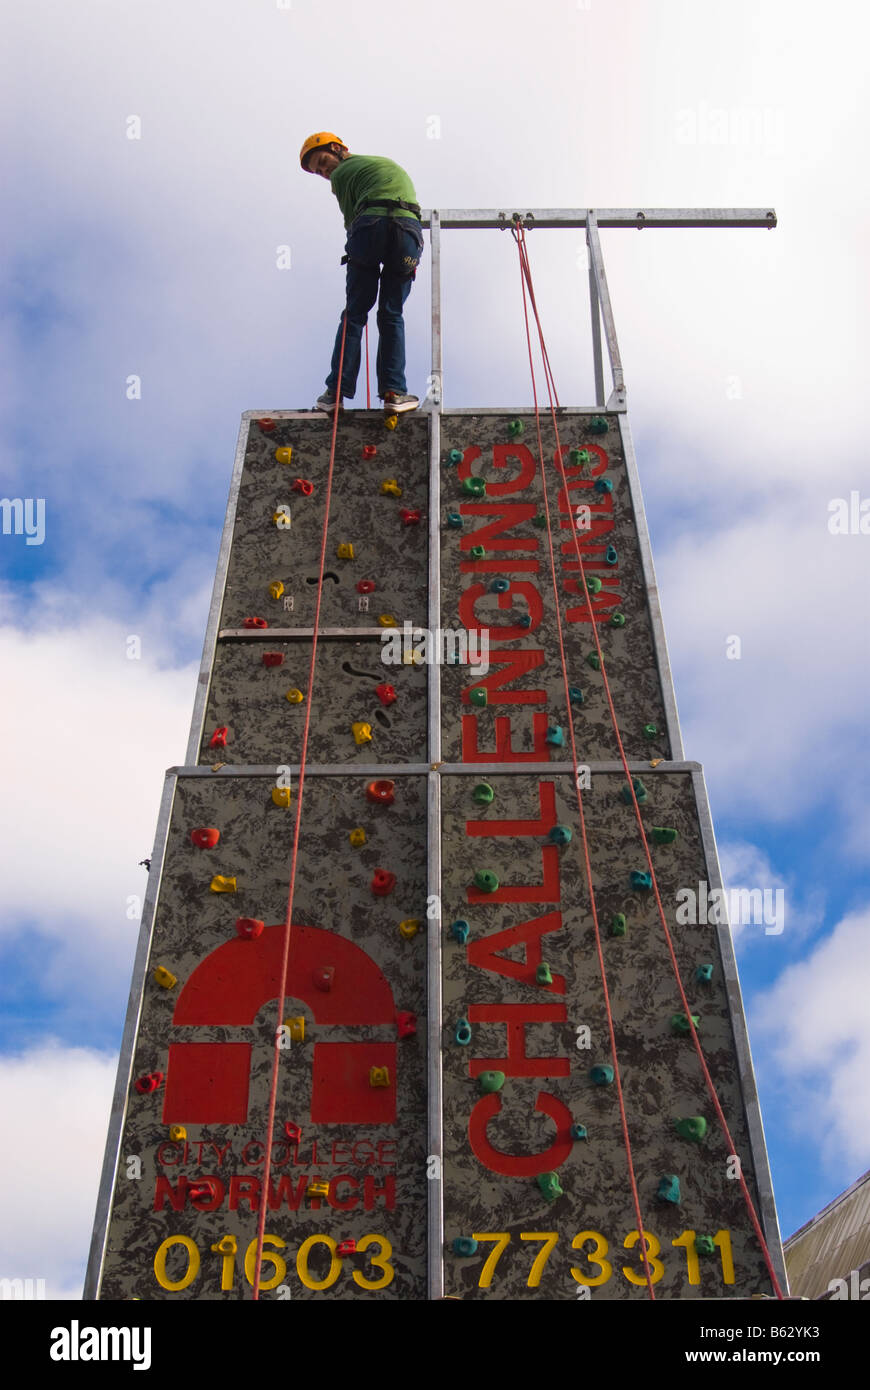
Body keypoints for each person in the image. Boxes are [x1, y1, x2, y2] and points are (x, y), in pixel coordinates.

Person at [300, 132, 424, 415]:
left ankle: (336, 392)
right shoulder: (381, 163)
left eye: (322, 162)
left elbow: (352, 222)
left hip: (370, 227)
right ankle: (394, 392)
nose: (324, 172)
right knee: (392, 312)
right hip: (407, 233)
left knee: (355, 314)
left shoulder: (342, 174)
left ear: (336, 148)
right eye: (319, 171)